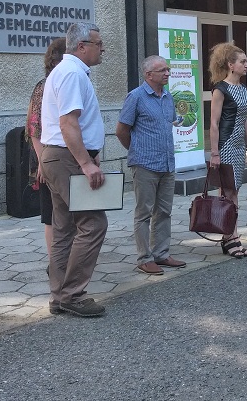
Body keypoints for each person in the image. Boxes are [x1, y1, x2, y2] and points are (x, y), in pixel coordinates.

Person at [40, 22, 108, 318]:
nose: (102, 49)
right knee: (93, 223)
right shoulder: (71, 73)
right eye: (98, 44)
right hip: (66, 158)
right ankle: (72, 295)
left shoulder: (67, 71)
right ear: (82, 47)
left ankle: (59, 296)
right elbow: (68, 123)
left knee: (64, 228)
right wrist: (86, 162)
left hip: (60, 157)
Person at [116, 55, 187, 276]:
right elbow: (121, 130)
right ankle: (144, 258)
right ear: (148, 75)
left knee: (164, 211)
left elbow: (170, 123)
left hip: (167, 163)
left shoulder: (168, 97)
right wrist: (137, 150)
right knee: (143, 213)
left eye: (168, 69)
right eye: (162, 70)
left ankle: (161, 253)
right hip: (145, 164)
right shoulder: (136, 97)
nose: (167, 73)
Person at [208, 42, 247, 259]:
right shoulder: (221, 89)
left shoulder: (243, 89)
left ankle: (231, 236)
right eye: (242, 62)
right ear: (230, 65)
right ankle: (230, 238)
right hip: (226, 145)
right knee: (228, 192)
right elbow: (214, 123)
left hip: (238, 146)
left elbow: (244, 119)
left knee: (234, 191)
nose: (246, 65)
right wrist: (214, 152)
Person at [26, 37, 67, 264]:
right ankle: (56, 263)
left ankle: (66, 260)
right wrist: (42, 162)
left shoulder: (69, 81)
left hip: (63, 157)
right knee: (51, 215)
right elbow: (34, 129)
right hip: (49, 157)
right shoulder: (44, 87)